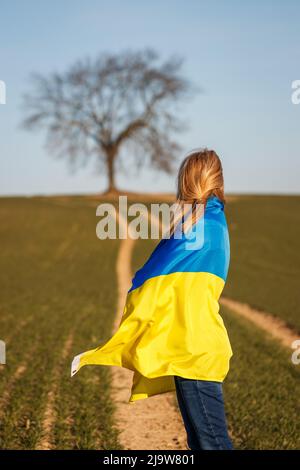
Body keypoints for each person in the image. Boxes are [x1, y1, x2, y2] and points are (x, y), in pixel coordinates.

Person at [71, 148, 233, 450]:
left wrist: (137, 301)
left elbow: (151, 278)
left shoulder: (193, 227)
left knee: (212, 443)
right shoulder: (214, 220)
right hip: (200, 345)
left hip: (193, 352)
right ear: (218, 181)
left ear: (185, 181)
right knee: (201, 441)